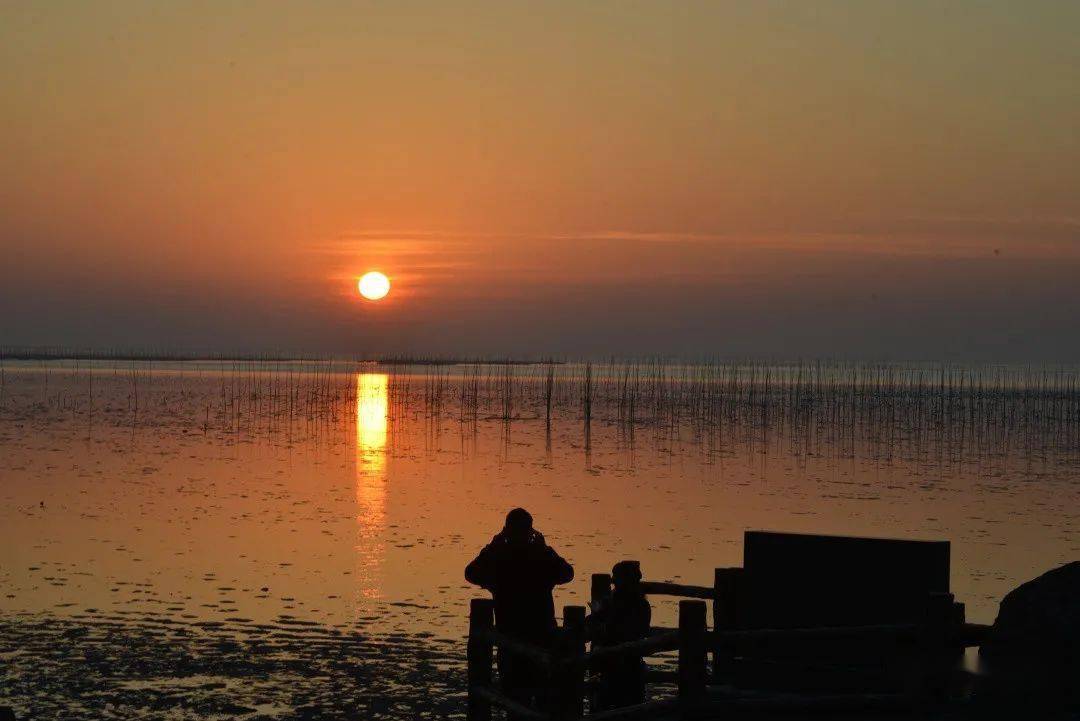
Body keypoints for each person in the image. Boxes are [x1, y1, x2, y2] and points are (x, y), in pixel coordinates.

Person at [465, 508, 574, 714]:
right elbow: (567, 573)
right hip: (542, 637)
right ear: (531, 531)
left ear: (506, 531)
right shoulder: (541, 558)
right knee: (544, 703)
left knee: (515, 703)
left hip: (510, 639)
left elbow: (471, 573)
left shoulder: (500, 559)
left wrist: (492, 546)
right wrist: (546, 549)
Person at [588, 560, 652, 710]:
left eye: (616, 577)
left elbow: (623, 631)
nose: (613, 581)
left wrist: (601, 624)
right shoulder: (640, 604)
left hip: (618, 664)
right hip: (628, 663)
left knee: (609, 704)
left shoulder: (619, 603)